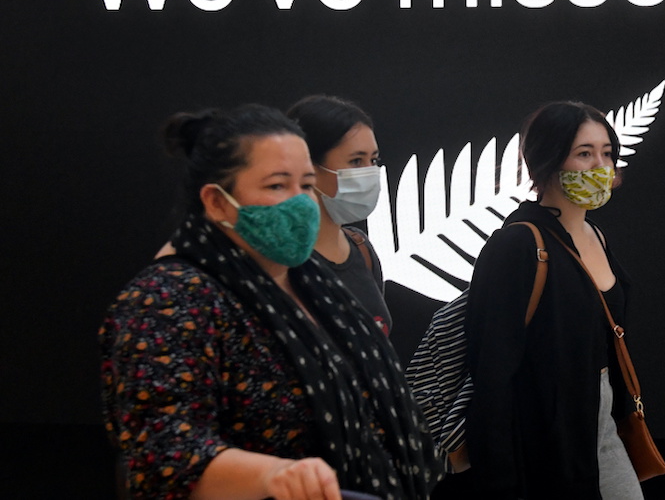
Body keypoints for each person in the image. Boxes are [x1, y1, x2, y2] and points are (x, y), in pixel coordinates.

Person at [99, 104, 443, 500]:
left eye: (306, 184)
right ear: (217, 202)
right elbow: (163, 455)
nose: (301, 202)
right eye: (278, 185)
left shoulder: (313, 282)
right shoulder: (168, 300)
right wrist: (272, 475)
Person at [464, 101, 644, 500]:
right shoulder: (519, 244)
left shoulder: (597, 236)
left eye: (607, 153)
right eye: (584, 153)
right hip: (541, 441)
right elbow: (492, 374)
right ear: (547, 159)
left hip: (601, 427)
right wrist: (501, 479)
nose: (601, 165)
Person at [286, 95, 391, 336]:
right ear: (308, 166)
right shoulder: (281, 263)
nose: (370, 172)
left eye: (373, 160)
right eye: (356, 161)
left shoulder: (361, 248)